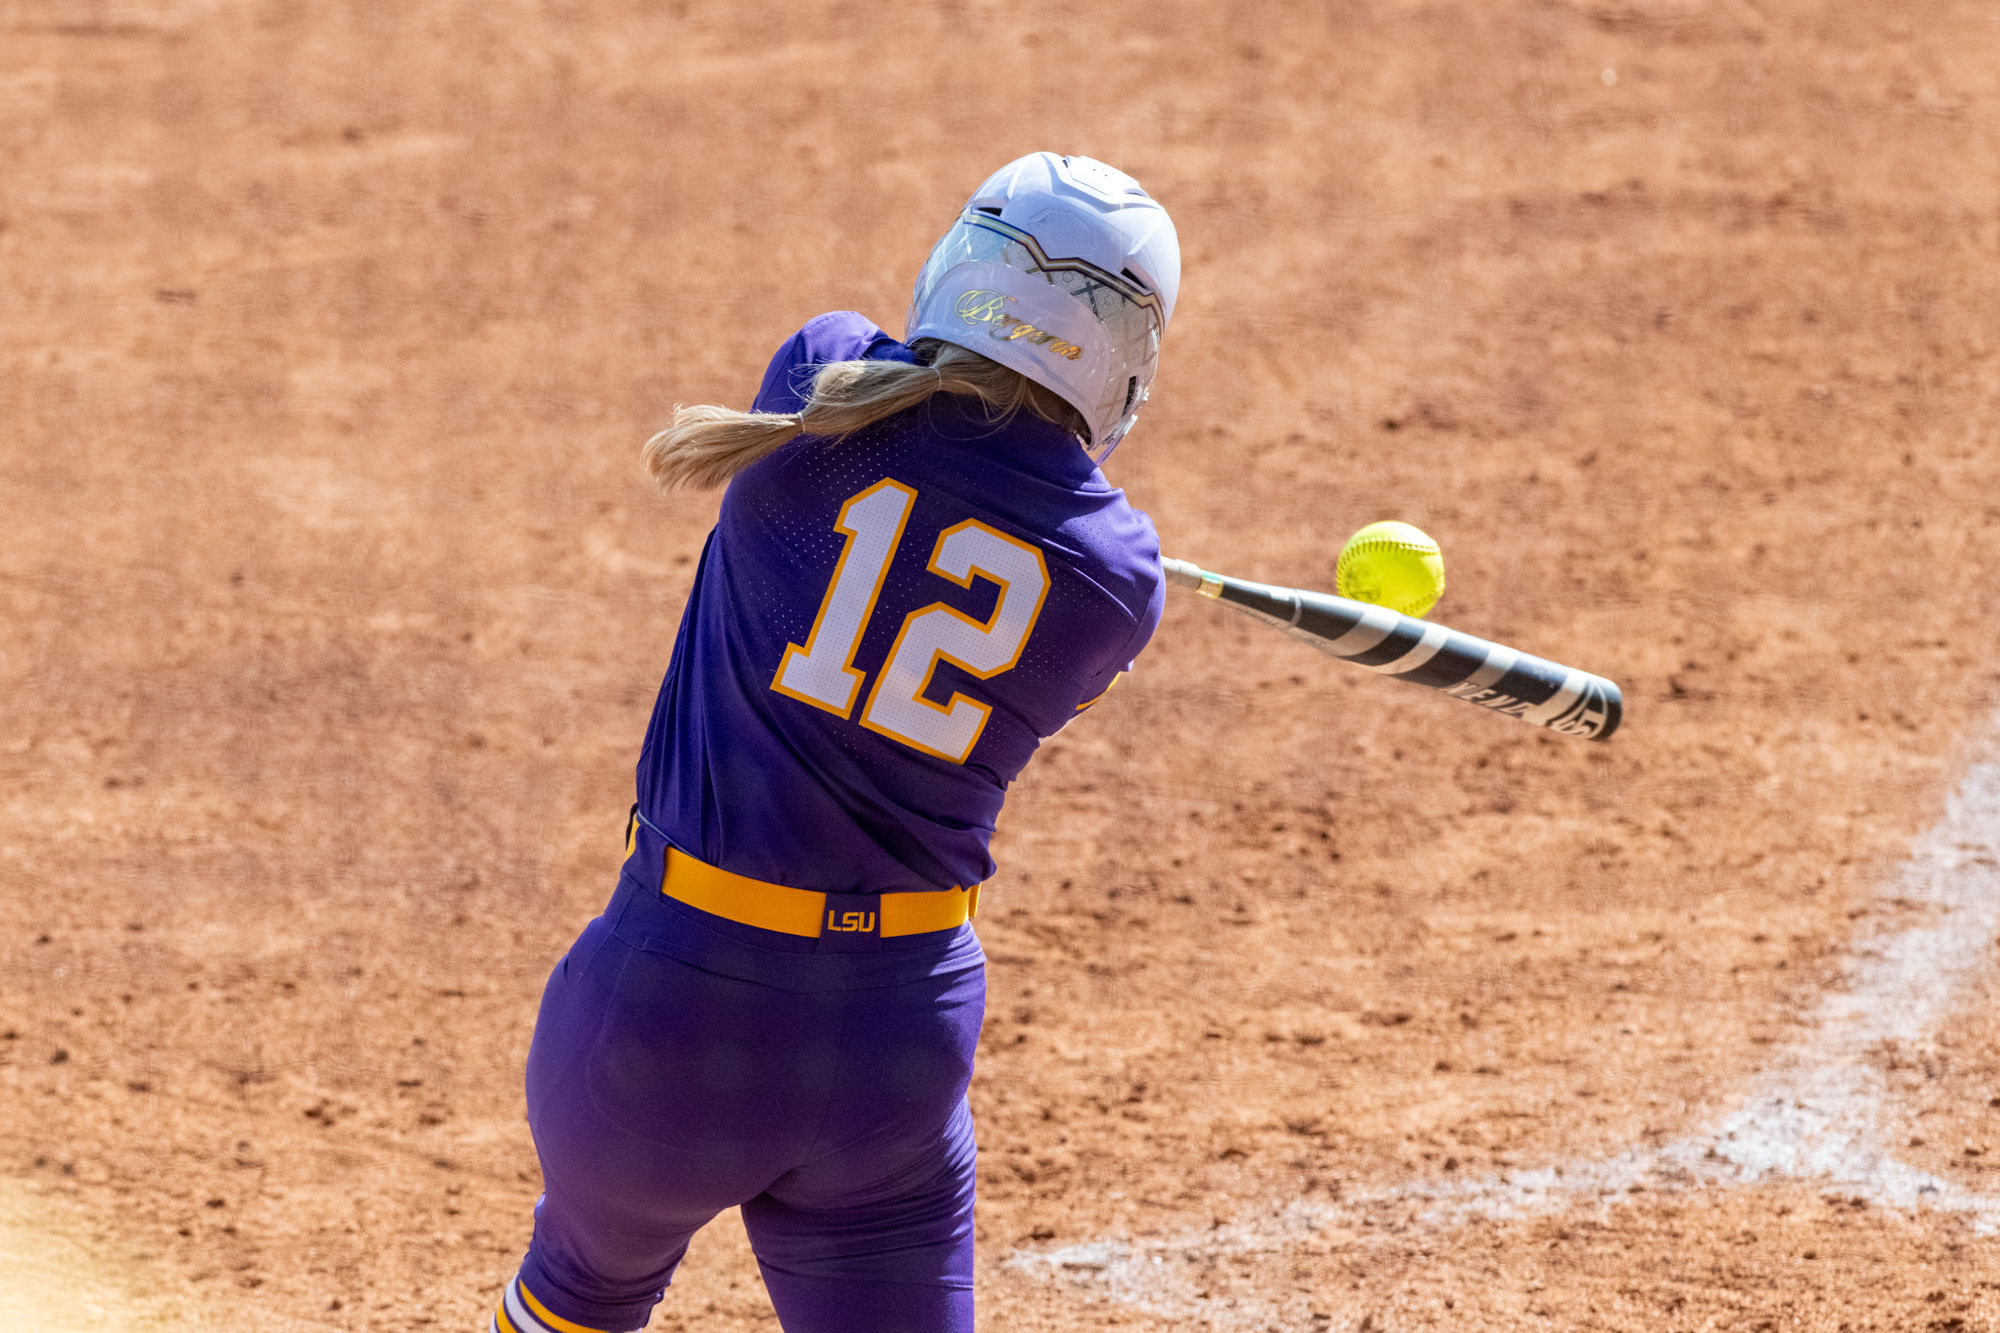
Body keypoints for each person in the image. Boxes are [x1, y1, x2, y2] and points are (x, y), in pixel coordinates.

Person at [491, 151, 1181, 1333]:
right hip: (889, 1055)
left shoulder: (817, 380)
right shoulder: (1116, 582)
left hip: (661, 1030)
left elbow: (889, 406)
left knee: (579, 1299)